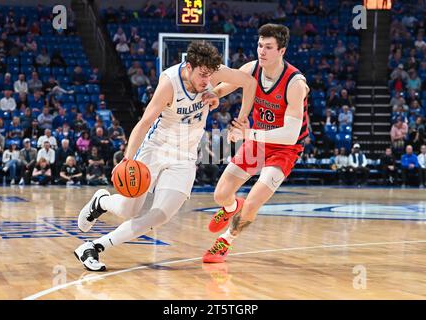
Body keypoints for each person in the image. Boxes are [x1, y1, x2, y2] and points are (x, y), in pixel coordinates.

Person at [74, 40, 257, 271]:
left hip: (185, 156)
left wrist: (238, 118)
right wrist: (128, 159)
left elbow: (249, 82)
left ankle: (94, 247)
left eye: (210, 76)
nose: (206, 81)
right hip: (156, 149)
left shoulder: (211, 71)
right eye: (202, 76)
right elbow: (144, 123)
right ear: (188, 67)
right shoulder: (170, 83)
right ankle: (101, 201)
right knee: (128, 210)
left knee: (160, 215)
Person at [200, 24, 310, 263]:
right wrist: (212, 96)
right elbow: (224, 87)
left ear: (281, 51)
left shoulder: (295, 83)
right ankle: (230, 207)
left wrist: (249, 134)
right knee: (221, 195)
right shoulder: (252, 68)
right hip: (256, 139)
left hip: (284, 148)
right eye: (260, 45)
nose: (262, 51)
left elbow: (290, 135)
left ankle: (226, 241)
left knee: (252, 202)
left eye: (268, 47)